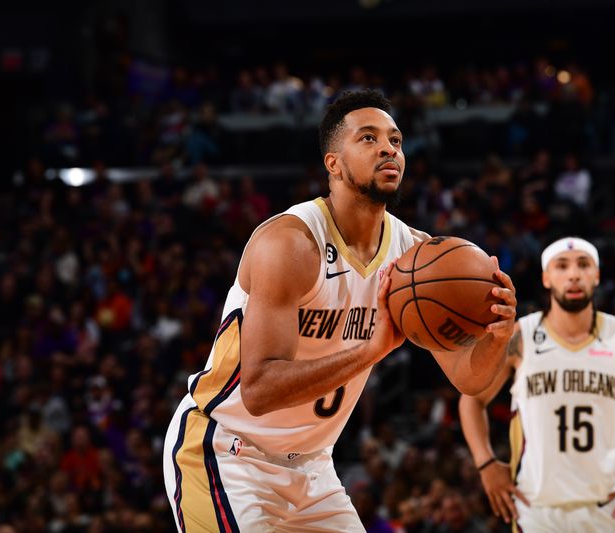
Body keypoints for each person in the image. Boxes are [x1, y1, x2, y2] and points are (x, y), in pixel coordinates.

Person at [163, 89, 518, 532]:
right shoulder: (290, 244)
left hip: (312, 466)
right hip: (226, 451)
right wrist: (371, 351)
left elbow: (470, 377)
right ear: (333, 163)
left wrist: (496, 338)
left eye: (395, 139)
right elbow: (258, 390)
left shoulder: (415, 258)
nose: (388, 148)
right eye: (368, 138)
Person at [459, 236, 615, 532]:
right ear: (546, 278)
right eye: (562, 265)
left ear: (596, 276)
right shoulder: (520, 337)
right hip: (534, 509)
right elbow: (472, 397)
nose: (573, 274)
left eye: (584, 265)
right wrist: (486, 464)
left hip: (605, 508)